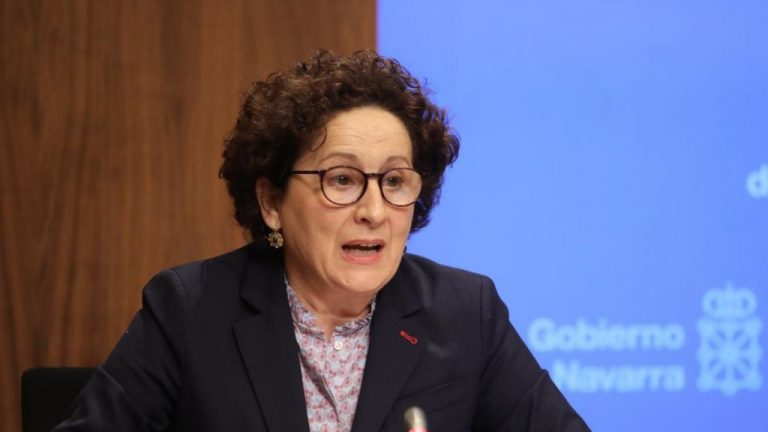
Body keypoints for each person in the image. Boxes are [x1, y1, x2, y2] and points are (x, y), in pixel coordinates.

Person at [54, 50, 589, 431]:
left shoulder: (466, 312)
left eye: (394, 181)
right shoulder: (190, 310)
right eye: (342, 179)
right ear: (272, 202)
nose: (374, 211)